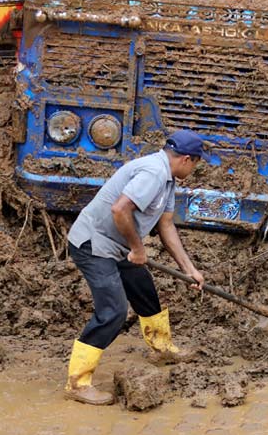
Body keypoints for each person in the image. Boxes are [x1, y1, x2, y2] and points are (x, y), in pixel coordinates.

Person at [63, 130, 206, 406]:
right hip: (94, 244)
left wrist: (189, 269)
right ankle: (77, 383)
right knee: (113, 312)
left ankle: (162, 348)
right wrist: (138, 249)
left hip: (117, 246)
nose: (195, 169)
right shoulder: (153, 173)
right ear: (187, 159)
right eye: (197, 164)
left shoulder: (167, 180)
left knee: (144, 291)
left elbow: (165, 226)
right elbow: (120, 210)